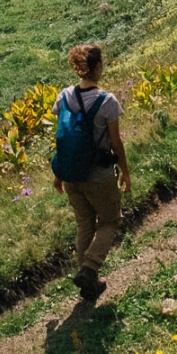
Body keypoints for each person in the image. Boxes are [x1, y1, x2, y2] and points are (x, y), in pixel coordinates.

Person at [50, 43, 131, 302]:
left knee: (85, 223)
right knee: (110, 220)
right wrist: (125, 172)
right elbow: (115, 142)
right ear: (96, 67)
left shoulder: (64, 96)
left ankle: (89, 285)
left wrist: (59, 173)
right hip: (98, 174)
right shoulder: (106, 101)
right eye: (102, 63)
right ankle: (90, 267)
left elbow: (63, 137)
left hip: (71, 174)